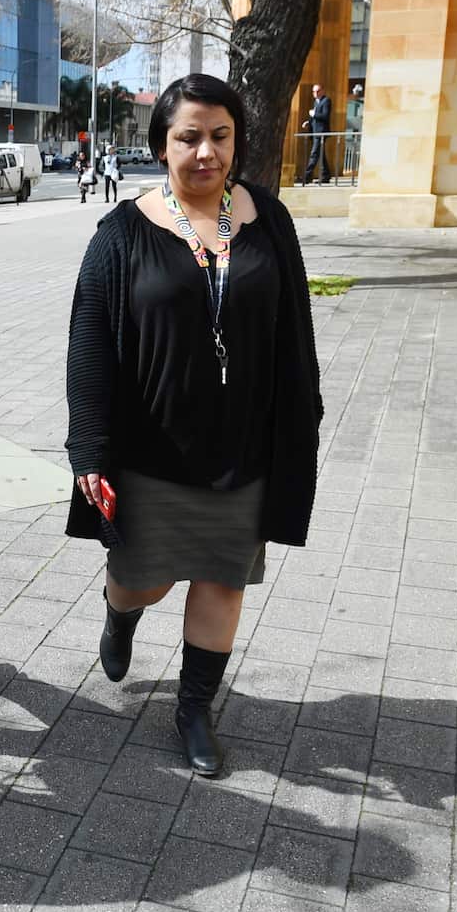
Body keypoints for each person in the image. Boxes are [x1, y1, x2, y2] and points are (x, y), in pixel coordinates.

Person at [65, 73, 322, 778]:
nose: (205, 151)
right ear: (162, 145)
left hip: (245, 447)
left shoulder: (268, 219)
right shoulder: (122, 233)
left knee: (222, 579)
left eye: (220, 136)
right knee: (142, 579)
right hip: (151, 450)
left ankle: (194, 708)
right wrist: (88, 450)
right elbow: (89, 345)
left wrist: (304, 417)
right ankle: (120, 611)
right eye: (189, 137)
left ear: (236, 143)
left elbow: (295, 325)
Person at [302, 83, 332, 185]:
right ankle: (326, 175)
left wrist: (314, 114)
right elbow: (314, 117)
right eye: (314, 91)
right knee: (321, 154)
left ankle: (307, 177)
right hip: (315, 131)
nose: (316, 93)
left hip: (321, 132)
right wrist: (308, 122)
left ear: (322, 91)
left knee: (314, 154)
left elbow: (325, 116)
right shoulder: (316, 102)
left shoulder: (326, 101)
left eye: (318, 91)